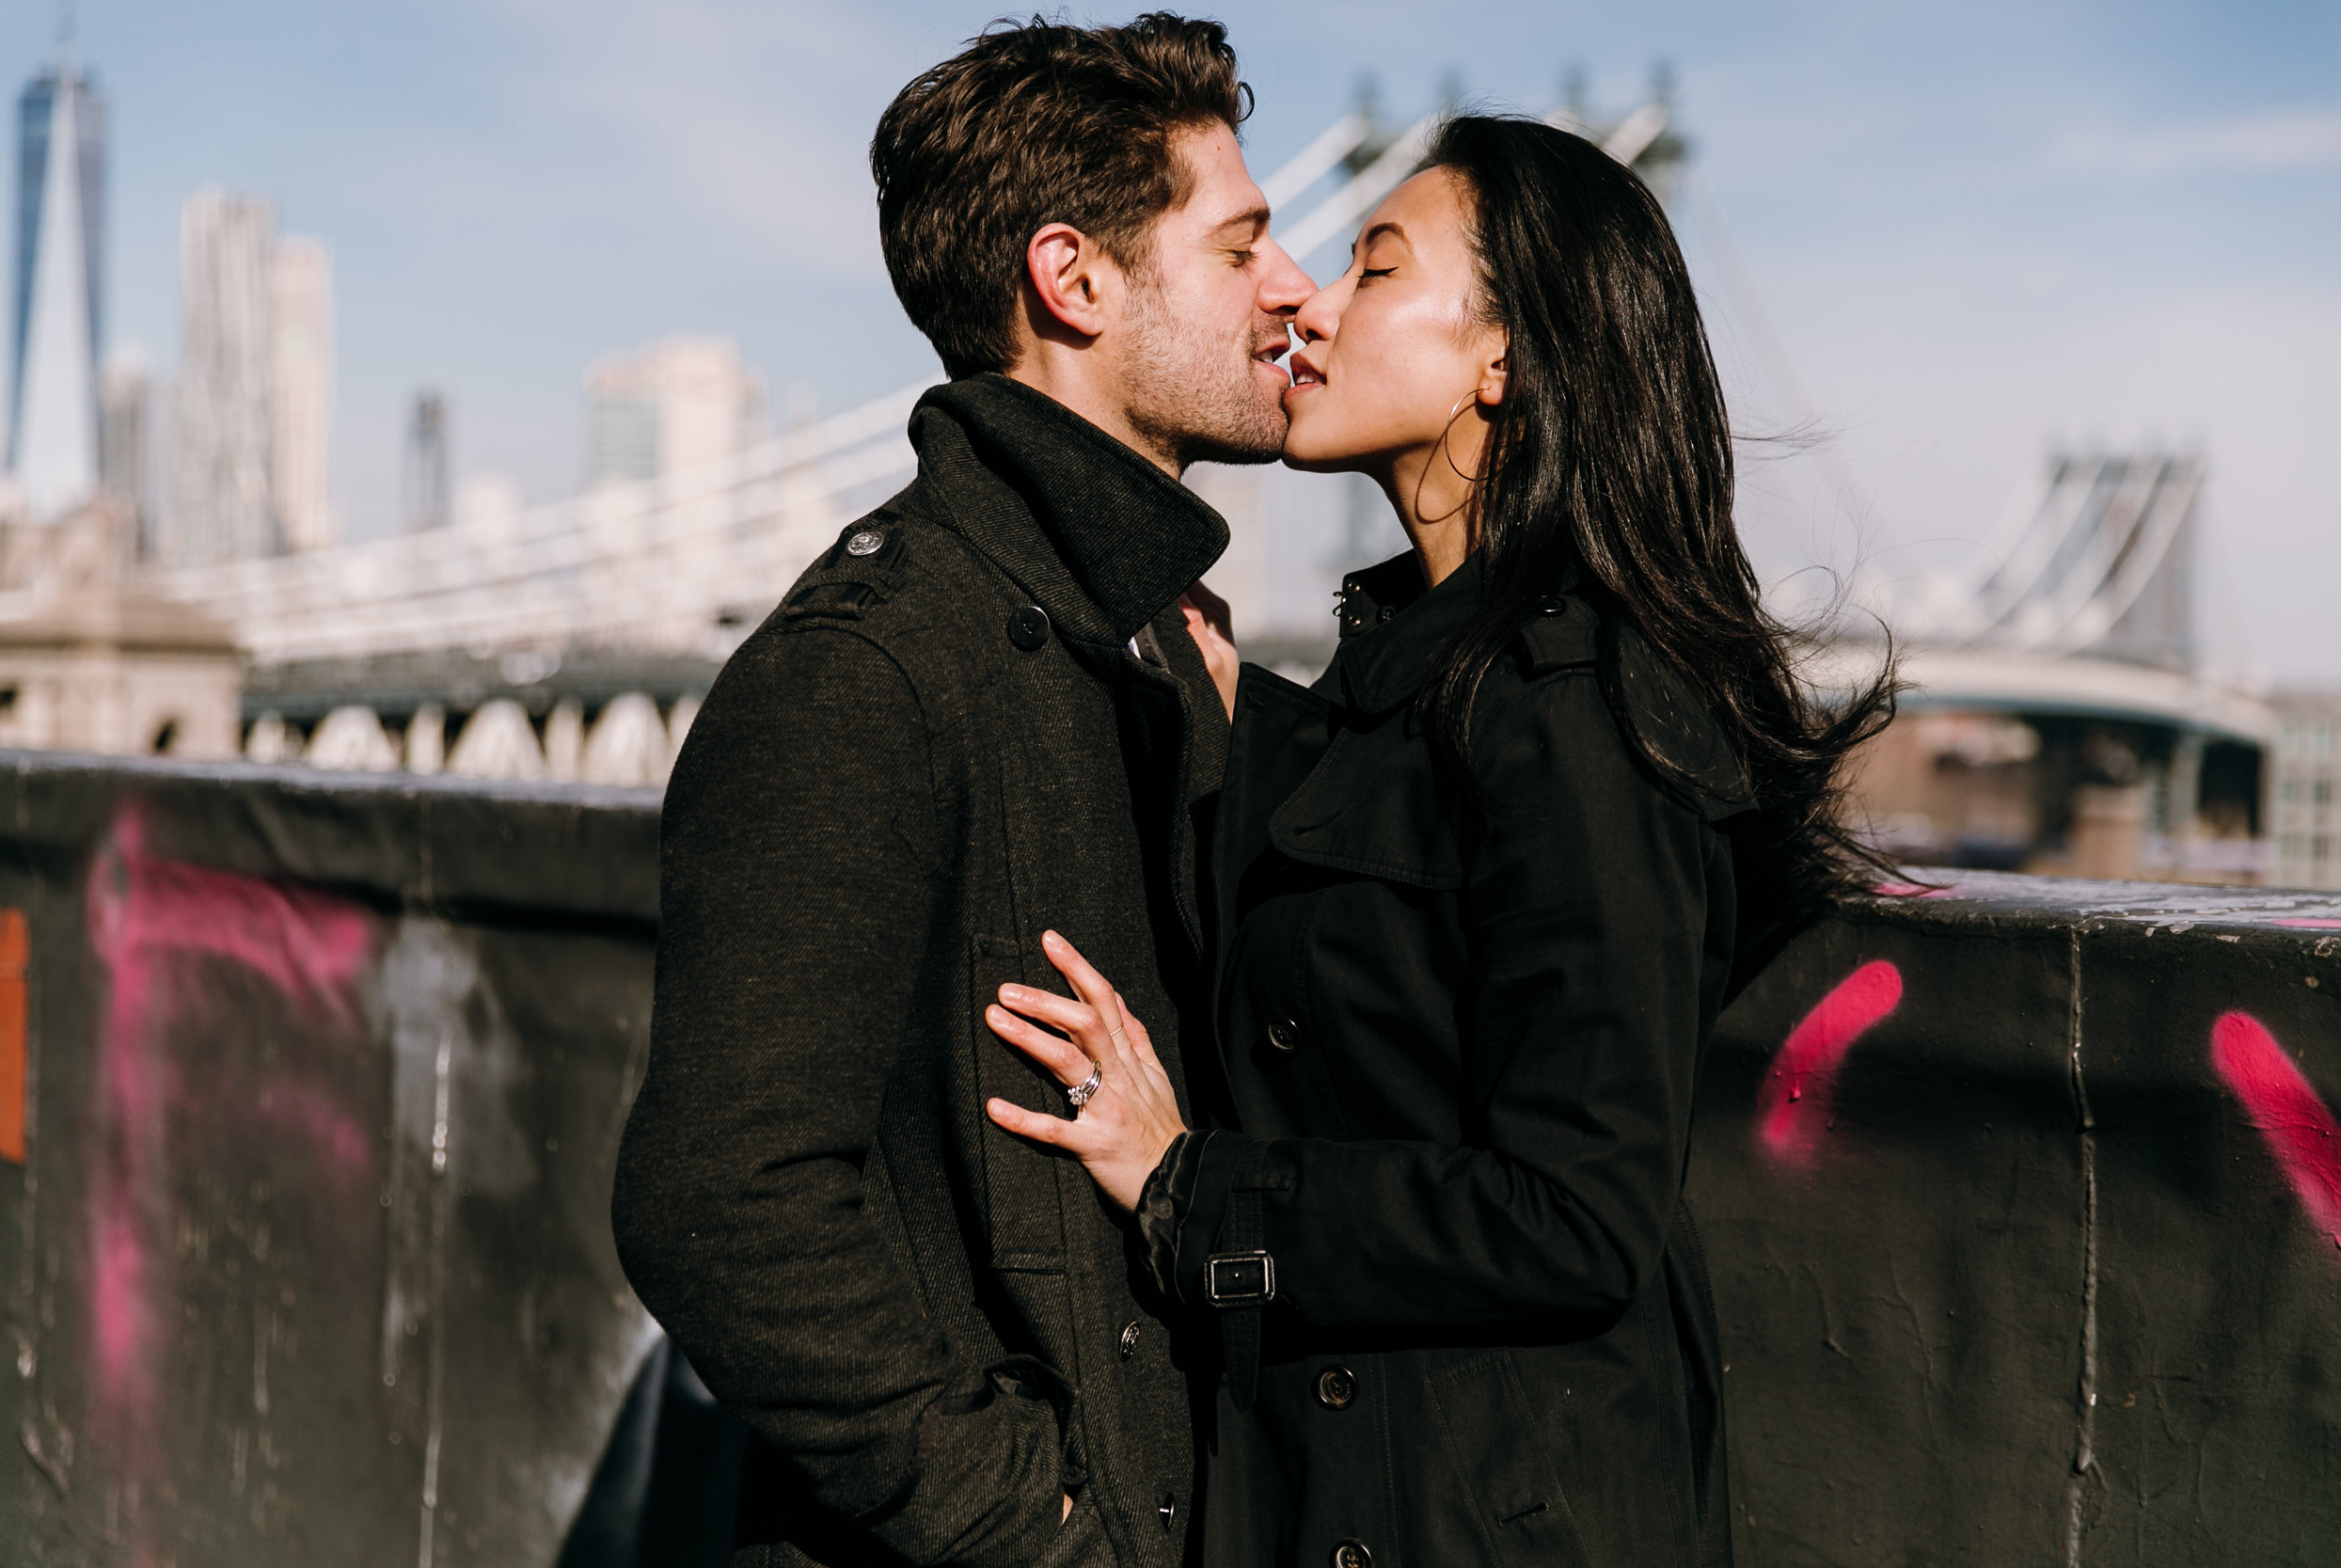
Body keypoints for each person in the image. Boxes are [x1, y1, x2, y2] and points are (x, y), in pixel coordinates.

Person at [981, 116, 1899, 1567]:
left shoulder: (1588, 711)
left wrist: (1188, 1185)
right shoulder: (1425, 685)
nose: (1312, 304)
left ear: (1505, 360)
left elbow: (1577, 1213)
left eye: (1375, 264)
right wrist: (1252, 718)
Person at [612, 15, 1305, 1567]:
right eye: (1243, 242)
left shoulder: (1149, 646)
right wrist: (1037, 1525)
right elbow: (720, 1204)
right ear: (1075, 280)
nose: (1293, 289)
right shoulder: (864, 670)